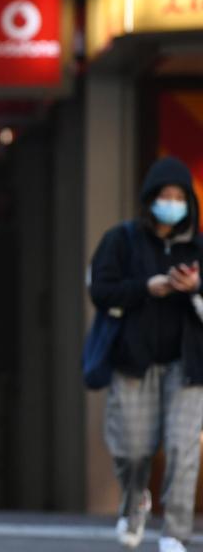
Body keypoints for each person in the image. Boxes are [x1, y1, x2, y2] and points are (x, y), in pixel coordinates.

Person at [91, 156, 203, 552]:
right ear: (149, 199)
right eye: (164, 196)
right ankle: (135, 500)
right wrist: (146, 288)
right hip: (134, 359)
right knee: (133, 447)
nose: (171, 203)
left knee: (181, 447)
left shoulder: (198, 248)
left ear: (189, 202)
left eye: (178, 197)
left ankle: (175, 531)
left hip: (188, 366)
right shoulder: (121, 240)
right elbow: (101, 291)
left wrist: (194, 289)